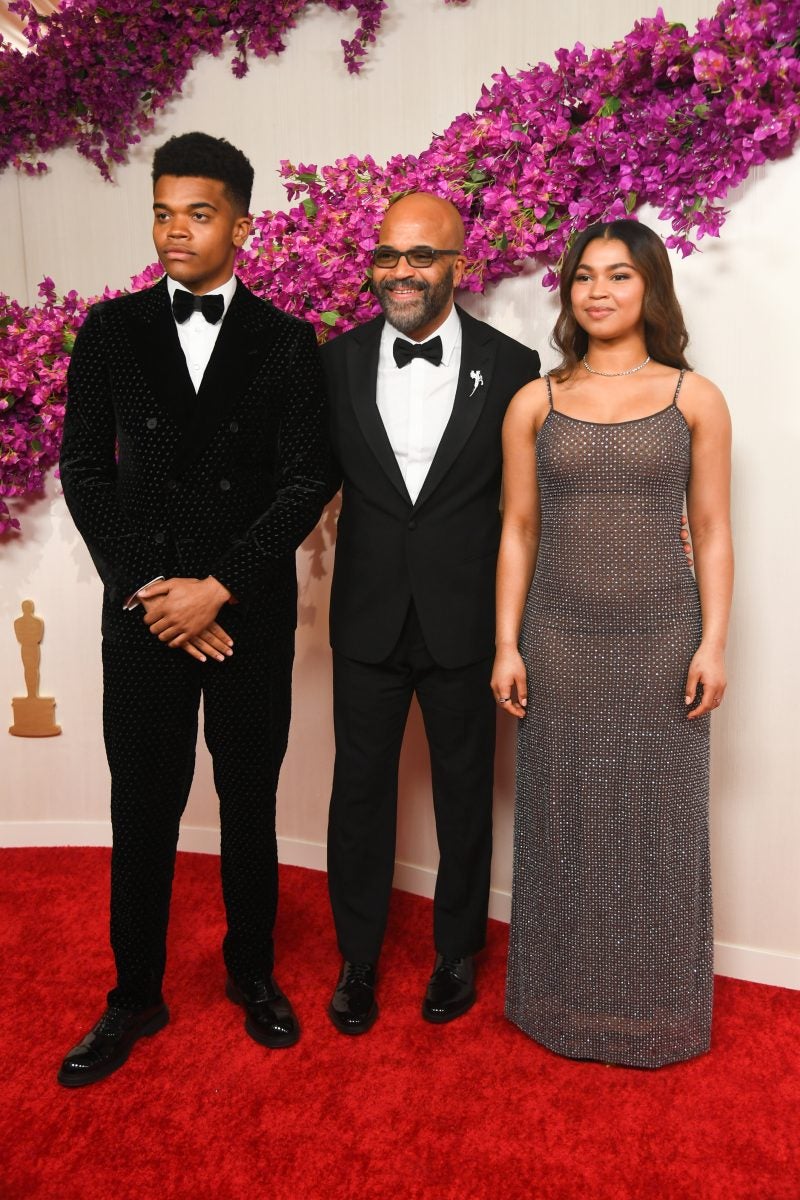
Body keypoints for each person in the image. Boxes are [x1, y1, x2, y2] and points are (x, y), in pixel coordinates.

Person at [57, 132, 330, 1086]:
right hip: (142, 614)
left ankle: (252, 973)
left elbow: (307, 480)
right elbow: (85, 471)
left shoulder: (288, 341)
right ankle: (134, 994)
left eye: (199, 214)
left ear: (242, 226)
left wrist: (218, 589)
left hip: (243, 612)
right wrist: (152, 589)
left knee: (250, 800)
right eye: (163, 212)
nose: (176, 230)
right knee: (142, 806)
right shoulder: (109, 330)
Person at [492, 219, 733, 1068]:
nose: (598, 291)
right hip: (556, 642)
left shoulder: (694, 398)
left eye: (619, 275)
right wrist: (506, 643)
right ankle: (558, 1004)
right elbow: (518, 529)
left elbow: (713, 529)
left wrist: (713, 643)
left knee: (659, 827)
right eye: (584, 276)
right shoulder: (536, 401)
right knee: (562, 823)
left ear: (651, 287)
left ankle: (657, 1012)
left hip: (663, 642)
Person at [320, 193, 541, 1033]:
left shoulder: (513, 365)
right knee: (358, 795)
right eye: (388, 255)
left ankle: (457, 952)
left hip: (465, 617)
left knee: (464, 794)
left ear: (459, 265)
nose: (401, 271)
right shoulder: (335, 362)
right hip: (366, 615)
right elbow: (302, 479)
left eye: (421, 256)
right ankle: (357, 958)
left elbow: (531, 504)